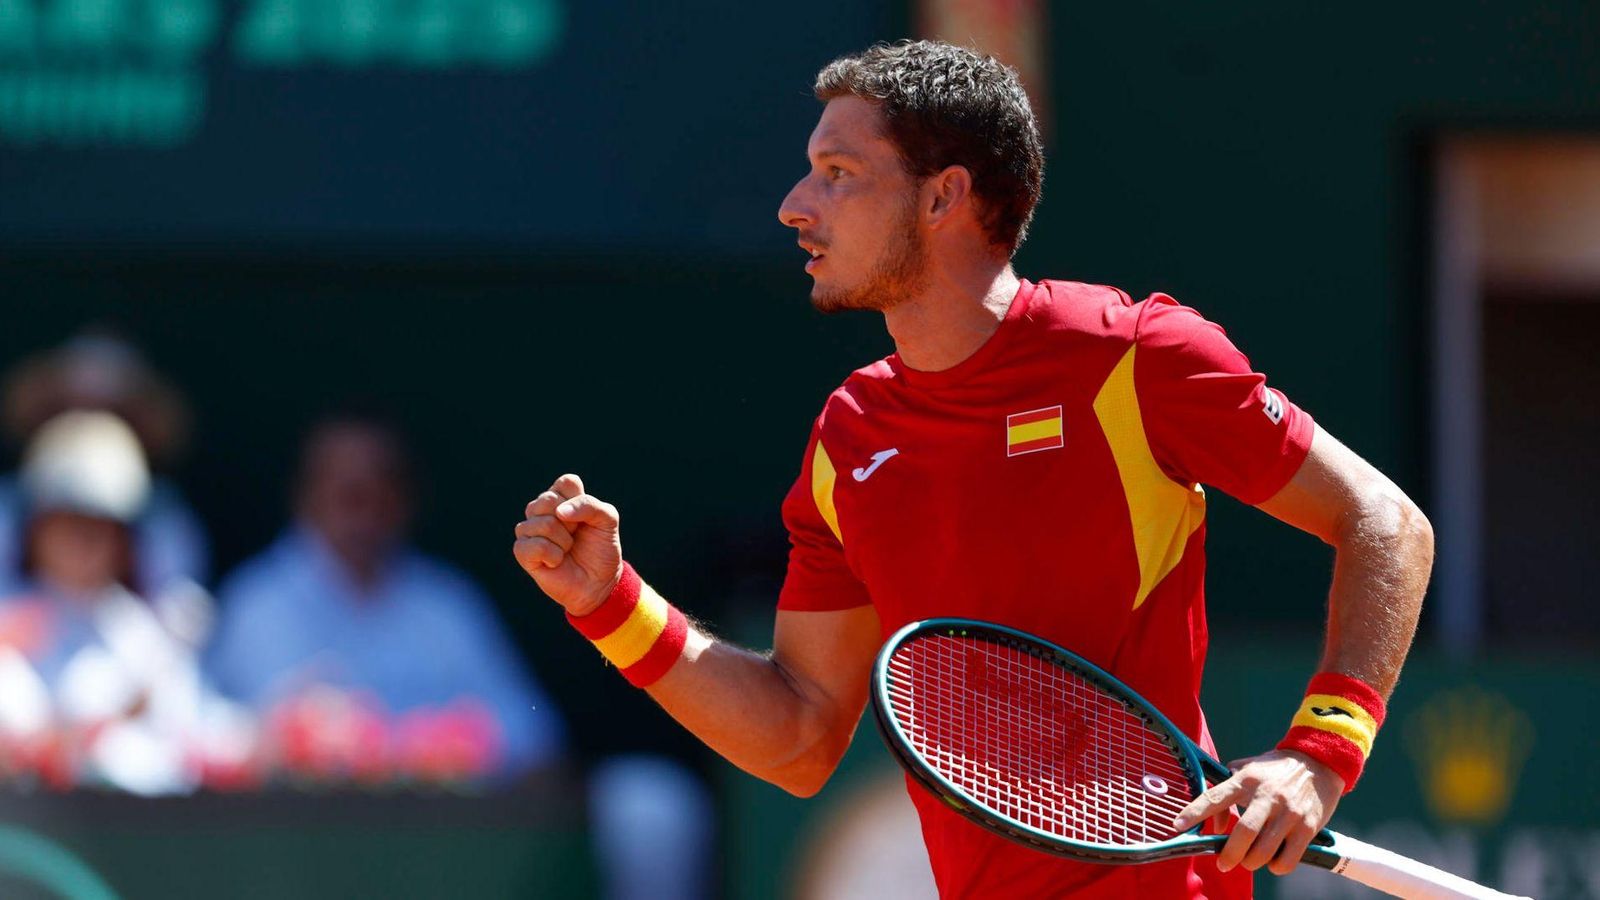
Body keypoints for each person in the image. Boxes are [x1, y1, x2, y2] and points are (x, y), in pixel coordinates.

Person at [513, 40, 1434, 899]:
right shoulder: (849, 435)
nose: (795, 204)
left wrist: (1321, 751)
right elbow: (797, 735)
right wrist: (611, 603)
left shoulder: (1135, 359)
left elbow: (1386, 522)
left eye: (838, 173)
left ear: (942, 196)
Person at [207, 415, 565, 782]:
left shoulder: (446, 603)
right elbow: (222, 741)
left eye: (381, 487)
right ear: (305, 496)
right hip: (297, 819)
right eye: (347, 492)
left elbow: (533, 734)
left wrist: (445, 743)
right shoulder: (255, 603)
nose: (364, 509)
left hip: (435, 817)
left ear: (406, 500)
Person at [0, 411, 212, 795]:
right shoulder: (7, 622)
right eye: (66, 521)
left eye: (99, 525)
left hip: (126, 826)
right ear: (35, 531)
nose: (82, 541)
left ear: (124, 541)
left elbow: (185, 760)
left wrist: (117, 736)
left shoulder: (149, 638)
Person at [0, 332, 210, 598]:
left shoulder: (166, 518)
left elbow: (180, 607)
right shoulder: (8, 504)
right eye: (75, 403)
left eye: (108, 407)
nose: (79, 543)